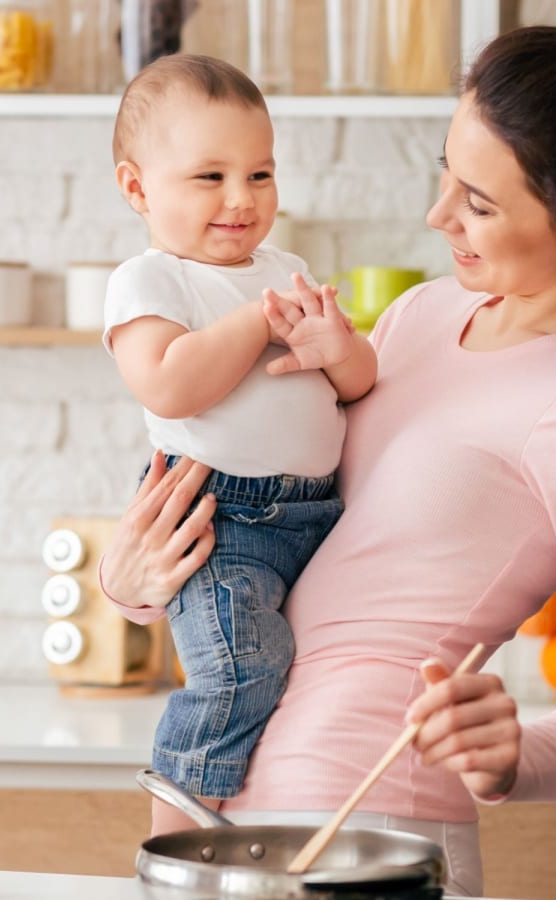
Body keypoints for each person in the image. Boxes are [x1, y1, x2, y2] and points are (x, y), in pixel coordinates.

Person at [101, 27, 556, 897]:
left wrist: (514, 753)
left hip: (372, 820)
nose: (438, 216)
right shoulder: (421, 315)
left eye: (477, 201)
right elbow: (286, 530)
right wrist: (133, 581)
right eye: (446, 173)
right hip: (220, 804)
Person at [102, 54, 378, 808]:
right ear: (137, 187)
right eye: (210, 176)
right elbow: (170, 384)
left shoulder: (284, 266)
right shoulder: (151, 281)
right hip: (223, 521)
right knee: (239, 671)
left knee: (303, 676)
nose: (241, 198)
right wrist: (258, 319)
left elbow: (358, 387)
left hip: (315, 514)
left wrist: (341, 352)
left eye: (260, 175)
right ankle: (178, 834)